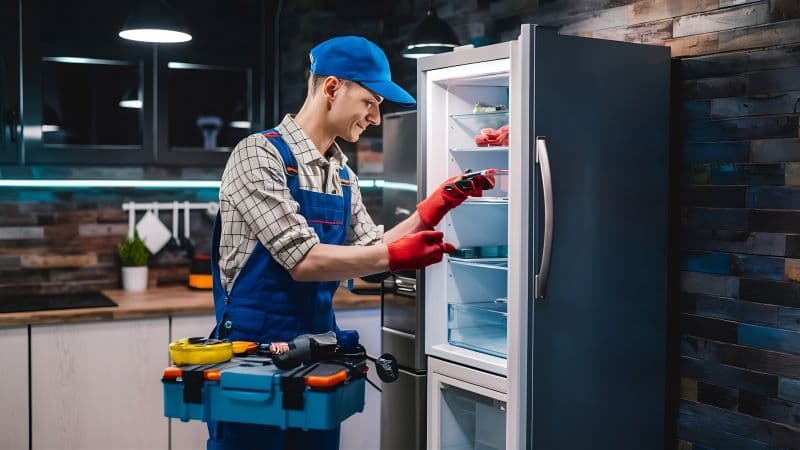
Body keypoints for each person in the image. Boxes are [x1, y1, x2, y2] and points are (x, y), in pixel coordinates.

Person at [208, 35, 494, 450]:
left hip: (318, 358)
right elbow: (302, 260)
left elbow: (367, 252)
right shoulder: (259, 155)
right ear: (331, 88)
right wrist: (393, 254)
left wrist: (433, 208)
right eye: (370, 102)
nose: (376, 117)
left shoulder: (342, 175)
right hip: (252, 364)